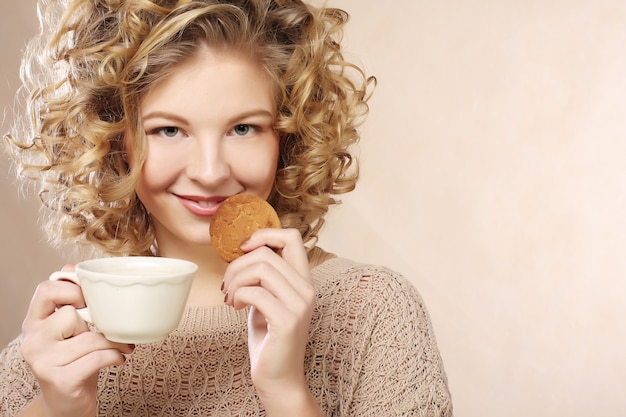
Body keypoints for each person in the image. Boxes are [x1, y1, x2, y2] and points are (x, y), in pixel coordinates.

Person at [0, 0, 453, 415]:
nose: (211, 171)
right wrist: (58, 408)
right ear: (116, 141)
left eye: (243, 128)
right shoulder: (50, 350)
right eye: (169, 131)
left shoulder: (373, 314)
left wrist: (285, 391)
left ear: (289, 135)